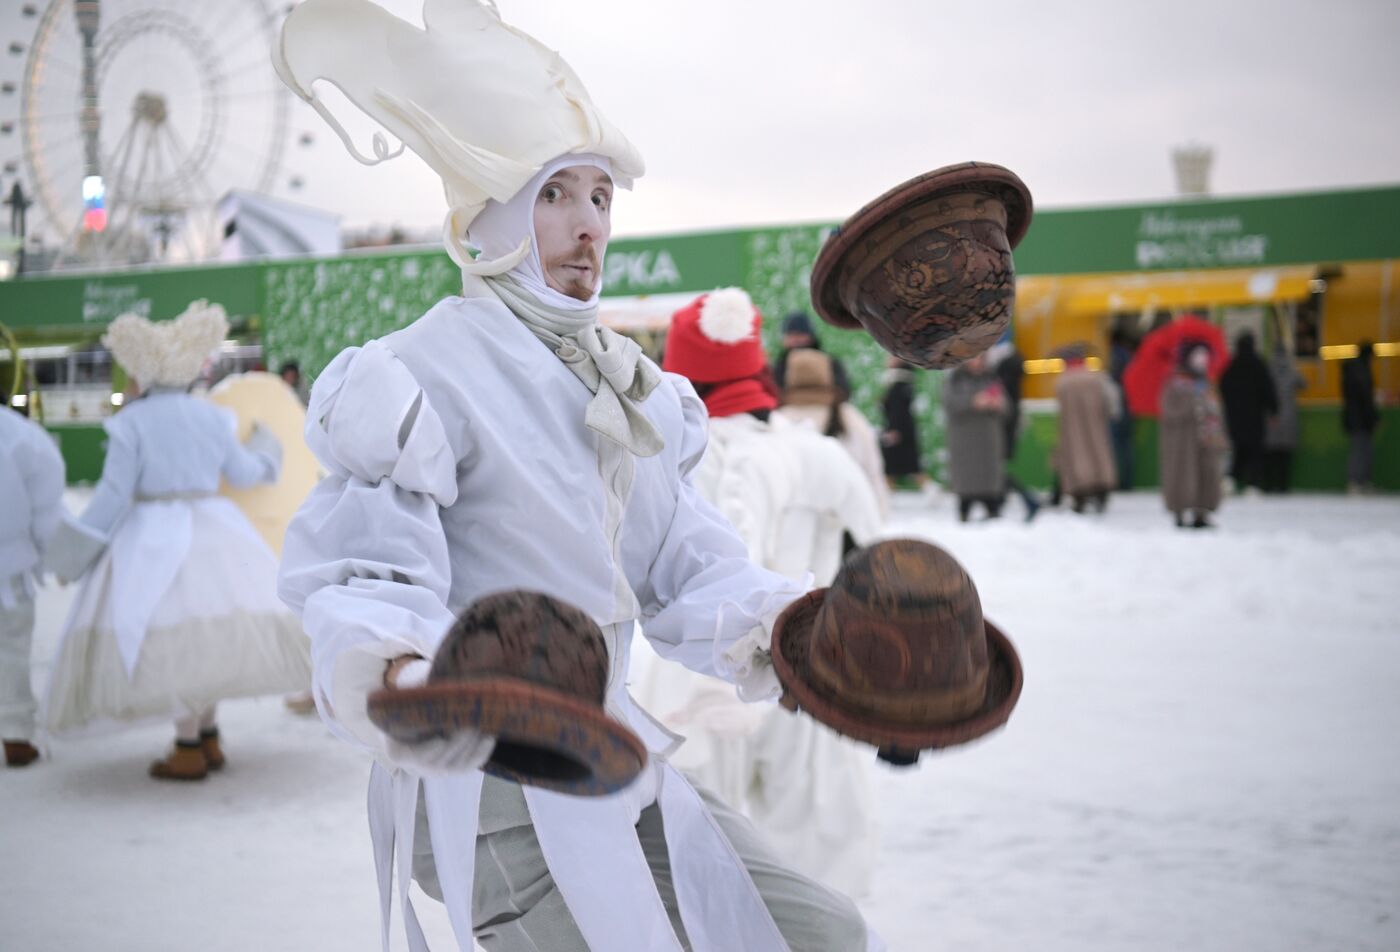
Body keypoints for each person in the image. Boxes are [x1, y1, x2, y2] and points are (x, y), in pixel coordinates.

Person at [274, 3, 877, 949]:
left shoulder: (631, 384)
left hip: (614, 763)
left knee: (822, 934)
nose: (587, 225)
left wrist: (794, 628)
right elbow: (363, 578)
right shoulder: (419, 373)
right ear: (490, 205)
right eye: (556, 193)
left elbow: (685, 568)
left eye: (601, 197)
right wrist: (411, 673)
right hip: (489, 792)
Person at [637, 288, 883, 897]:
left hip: (690, 689)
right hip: (806, 683)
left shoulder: (662, 463)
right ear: (759, 368)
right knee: (818, 871)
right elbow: (877, 566)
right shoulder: (823, 457)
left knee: (694, 882)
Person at [43, 301, 311, 780]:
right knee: (209, 639)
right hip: (215, 529)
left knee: (169, 639)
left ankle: (188, 746)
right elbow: (246, 472)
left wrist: (75, 550)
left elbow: (112, 496)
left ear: (144, 373)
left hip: (149, 535)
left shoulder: (132, 423)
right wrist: (269, 447)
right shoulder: (212, 417)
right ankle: (207, 736)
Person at [0, 404, 65, 767]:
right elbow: (46, 500)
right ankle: (16, 736)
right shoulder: (20, 434)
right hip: (9, 563)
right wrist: (47, 551)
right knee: (11, 648)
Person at [775, 347, 889, 517]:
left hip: (790, 527)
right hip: (847, 522)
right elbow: (873, 473)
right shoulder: (850, 418)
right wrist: (878, 515)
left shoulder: (777, 421)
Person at [1159, 341, 1228, 528]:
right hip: (1182, 441)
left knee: (1206, 474)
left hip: (1205, 440)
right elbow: (1169, 410)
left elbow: (1215, 409)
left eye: (1204, 357)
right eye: (1198, 357)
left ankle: (1201, 513)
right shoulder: (1175, 382)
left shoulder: (1206, 382)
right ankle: (1180, 511)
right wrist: (1192, 404)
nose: (1202, 361)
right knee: (1182, 474)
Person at [944, 352, 1009, 521]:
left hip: (988, 440)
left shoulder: (992, 378)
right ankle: (965, 511)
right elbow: (949, 402)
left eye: (980, 358)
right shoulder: (955, 379)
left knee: (990, 480)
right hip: (964, 440)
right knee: (966, 480)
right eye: (973, 357)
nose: (976, 361)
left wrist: (998, 404)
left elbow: (1007, 407)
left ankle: (993, 509)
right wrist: (973, 401)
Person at [1053, 346, 1119, 513]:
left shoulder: (1063, 381)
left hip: (1071, 428)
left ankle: (1079, 494)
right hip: (1096, 426)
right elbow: (1111, 400)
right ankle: (1101, 489)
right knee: (1099, 454)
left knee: (1076, 457)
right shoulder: (1097, 378)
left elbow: (1060, 406)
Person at [1219, 331, 1278, 492]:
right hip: (1255, 416)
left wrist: (1231, 405)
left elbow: (1223, 386)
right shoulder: (1258, 364)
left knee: (1238, 448)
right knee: (1255, 450)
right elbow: (1268, 389)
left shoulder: (1231, 366)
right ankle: (1253, 483)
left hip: (1235, 416)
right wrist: (1273, 410)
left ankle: (1230, 479)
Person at [989, 341, 1041, 520]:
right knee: (997, 465)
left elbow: (1002, 398)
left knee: (995, 465)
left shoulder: (1003, 368)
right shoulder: (1014, 364)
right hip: (1008, 422)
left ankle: (1026, 498)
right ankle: (1011, 500)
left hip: (1001, 424)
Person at [770, 311, 850, 397]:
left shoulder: (829, 362)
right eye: (791, 335)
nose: (795, 339)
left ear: (810, 337)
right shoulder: (781, 365)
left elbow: (841, 390)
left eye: (800, 334)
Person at [1262, 340, 1305, 493]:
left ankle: (1268, 485)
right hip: (1288, 416)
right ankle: (1283, 485)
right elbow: (1304, 384)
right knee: (1285, 454)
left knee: (1270, 453)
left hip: (1270, 416)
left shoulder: (1267, 370)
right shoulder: (1291, 370)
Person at [880, 356, 926, 491]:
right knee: (906, 466)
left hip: (897, 430)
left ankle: (885, 494)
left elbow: (897, 409)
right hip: (902, 428)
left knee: (893, 466)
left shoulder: (898, 382)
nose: (887, 360)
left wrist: (894, 429)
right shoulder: (904, 381)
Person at [1341, 341, 1380, 493]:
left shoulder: (1351, 370)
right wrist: (1373, 417)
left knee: (1360, 449)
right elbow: (1366, 398)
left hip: (1353, 417)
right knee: (1361, 450)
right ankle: (1358, 481)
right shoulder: (1362, 372)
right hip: (1362, 418)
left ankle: (1358, 482)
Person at [1108, 328, 1137, 490]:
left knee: (1115, 444)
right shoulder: (1130, 356)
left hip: (1119, 406)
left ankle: (1118, 480)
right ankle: (1127, 480)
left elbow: (1114, 382)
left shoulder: (1116, 356)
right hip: (1129, 404)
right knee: (1127, 445)